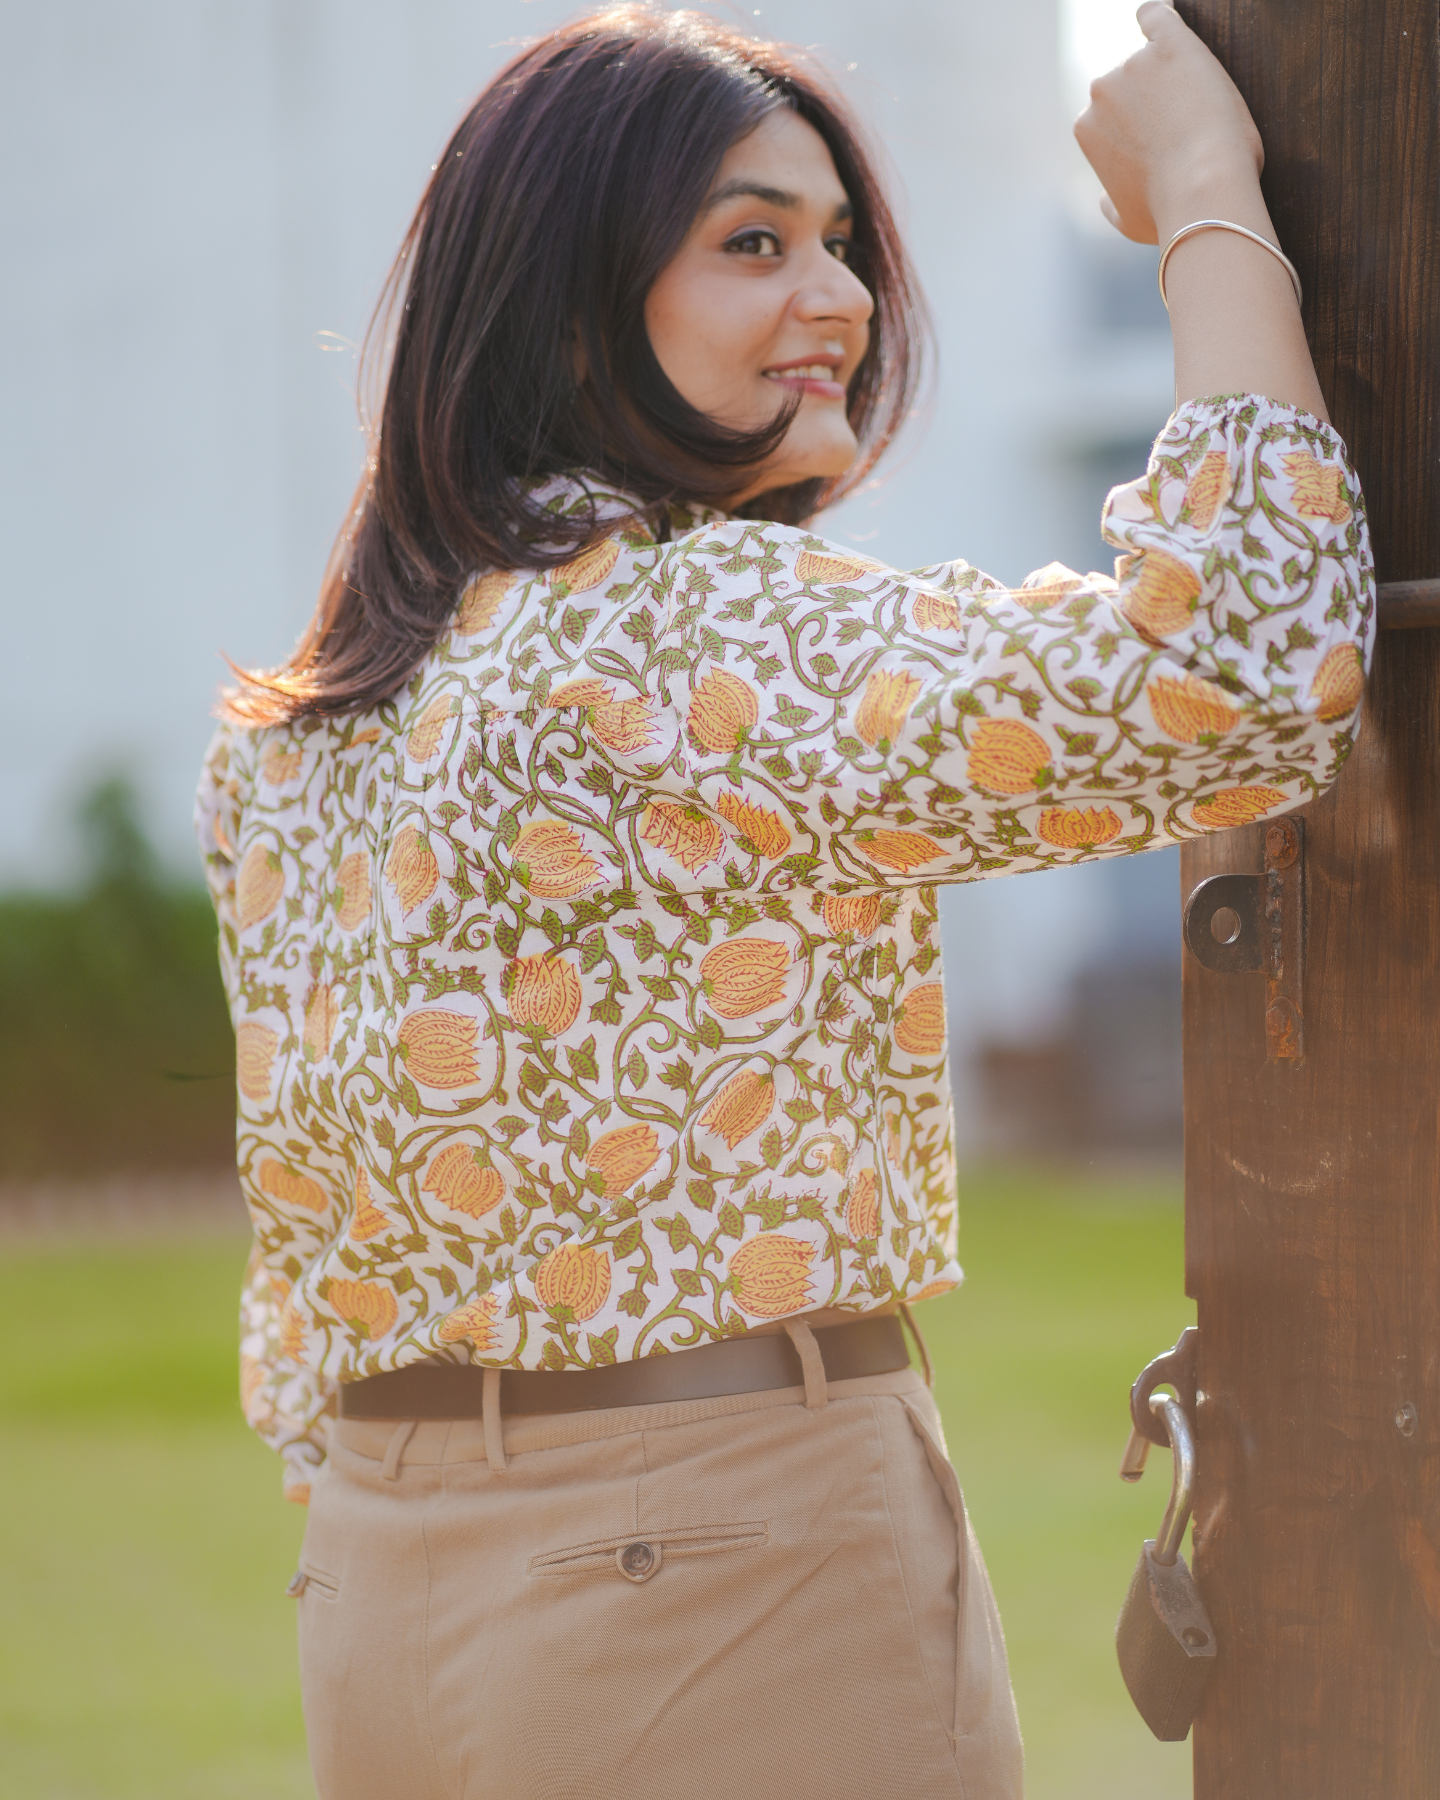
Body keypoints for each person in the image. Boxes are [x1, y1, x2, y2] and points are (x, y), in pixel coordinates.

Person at [194, 5, 1371, 1796]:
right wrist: (1210, 184)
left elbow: (305, 1258)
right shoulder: (690, 629)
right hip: (717, 1560)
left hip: (381, 1580)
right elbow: (1250, 654)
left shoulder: (309, 724)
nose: (837, 298)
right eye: (755, 242)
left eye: (841, 246)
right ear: (575, 301)